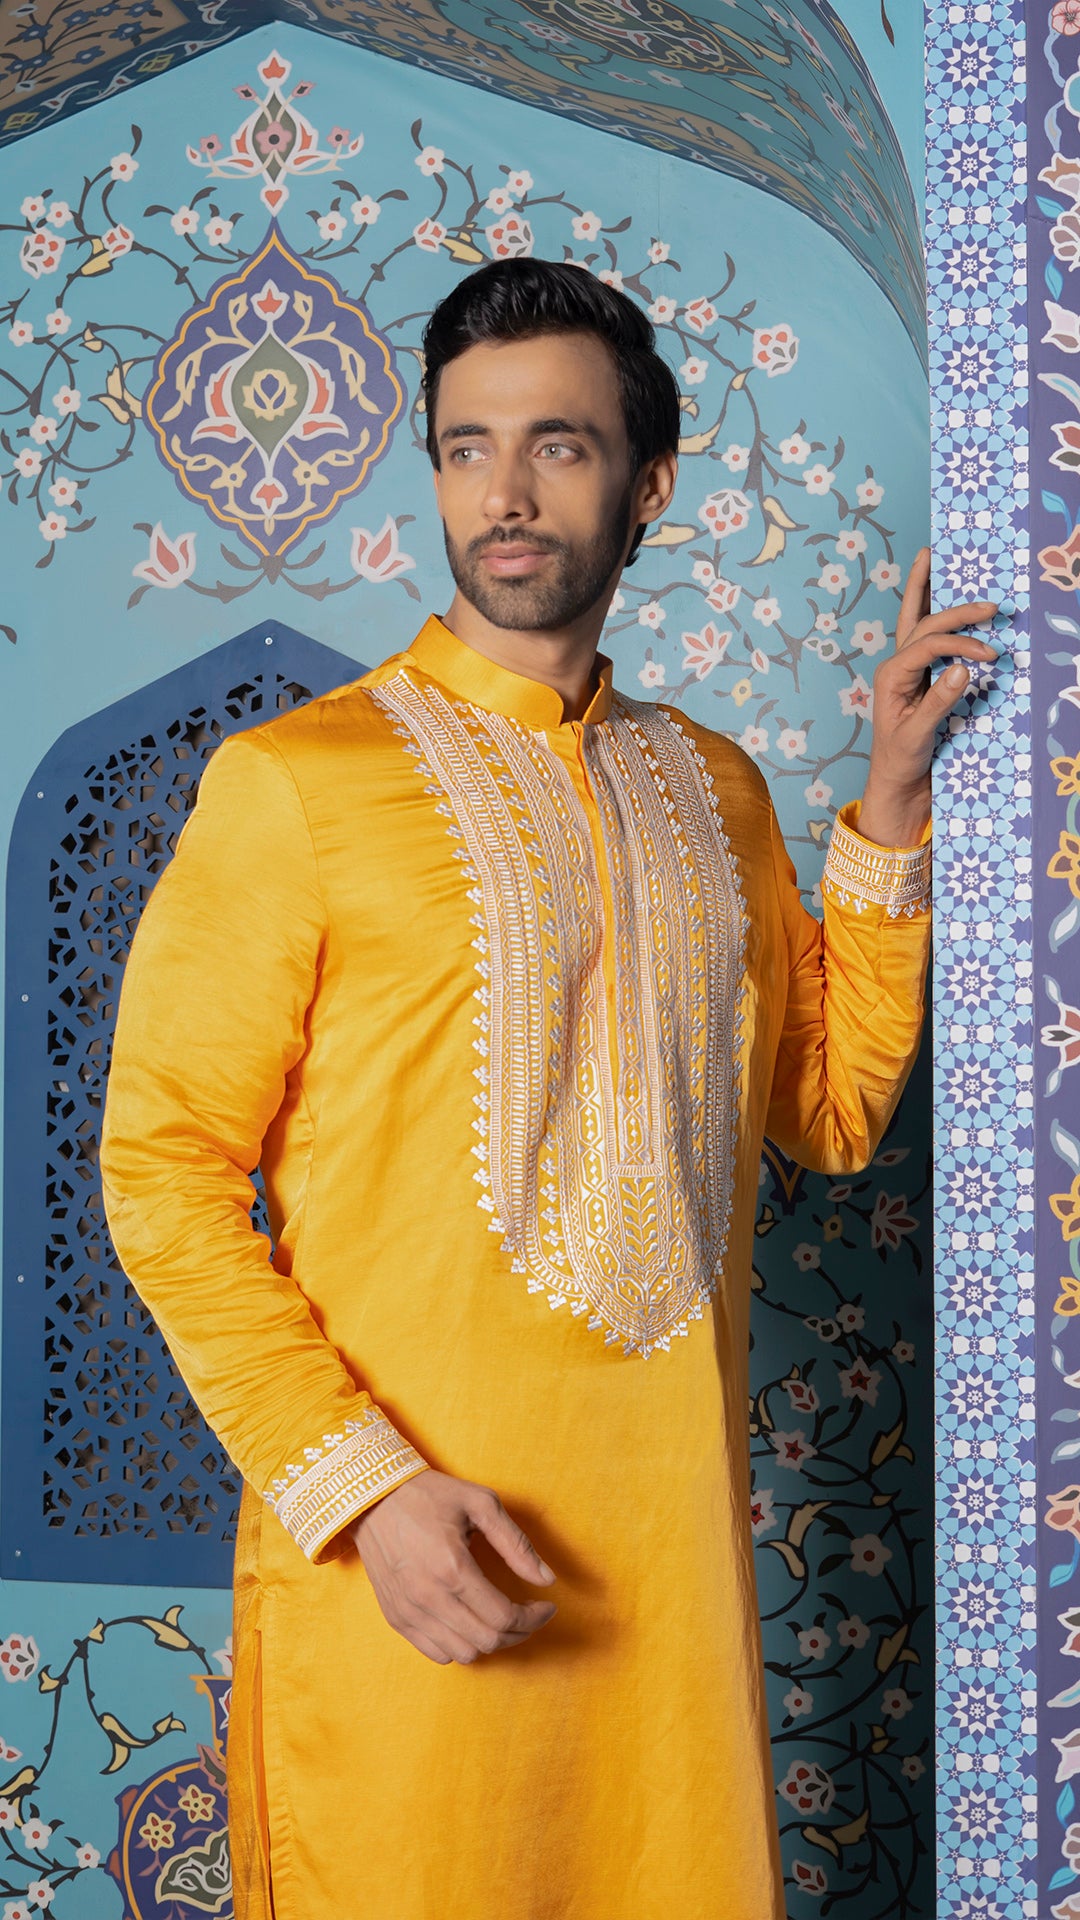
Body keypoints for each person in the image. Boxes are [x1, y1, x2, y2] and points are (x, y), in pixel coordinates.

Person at [100, 259, 997, 1920]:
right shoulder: (295, 784)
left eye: (558, 447)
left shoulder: (711, 787)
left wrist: (886, 804)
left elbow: (827, 1108)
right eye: (465, 448)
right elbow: (159, 1173)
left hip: (669, 1600)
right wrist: (358, 1493)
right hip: (416, 1571)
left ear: (647, 481)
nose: (503, 497)